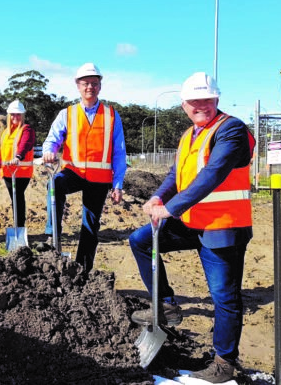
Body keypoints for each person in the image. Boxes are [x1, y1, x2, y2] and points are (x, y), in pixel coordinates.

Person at [127, 72, 255, 383]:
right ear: (184, 105)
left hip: (223, 227)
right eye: (195, 101)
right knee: (141, 240)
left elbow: (213, 174)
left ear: (217, 99)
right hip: (193, 223)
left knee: (224, 297)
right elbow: (176, 174)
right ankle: (166, 305)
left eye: (207, 100)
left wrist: (169, 209)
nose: (202, 105)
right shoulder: (190, 134)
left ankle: (224, 362)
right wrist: (159, 195)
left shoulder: (231, 130)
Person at [42, 62, 127, 272]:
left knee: (90, 225)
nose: (90, 87)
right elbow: (52, 138)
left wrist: (117, 185)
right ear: (78, 86)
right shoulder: (67, 114)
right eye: (86, 83)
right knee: (55, 185)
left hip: (99, 179)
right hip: (74, 172)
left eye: (94, 83)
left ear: (100, 86)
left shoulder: (112, 116)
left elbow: (119, 152)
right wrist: (49, 150)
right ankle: (53, 235)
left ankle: (82, 269)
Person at [0, 99, 35, 228]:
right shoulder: (5, 132)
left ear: (22, 115)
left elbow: (25, 144)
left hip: (21, 172)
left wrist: (18, 156)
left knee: (18, 197)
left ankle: (19, 226)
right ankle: (17, 226)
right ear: (9, 115)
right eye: (12, 114)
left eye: (18, 114)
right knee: (14, 199)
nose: (15, 117)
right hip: (7, 172)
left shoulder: (26, 129)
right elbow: (1, 151)